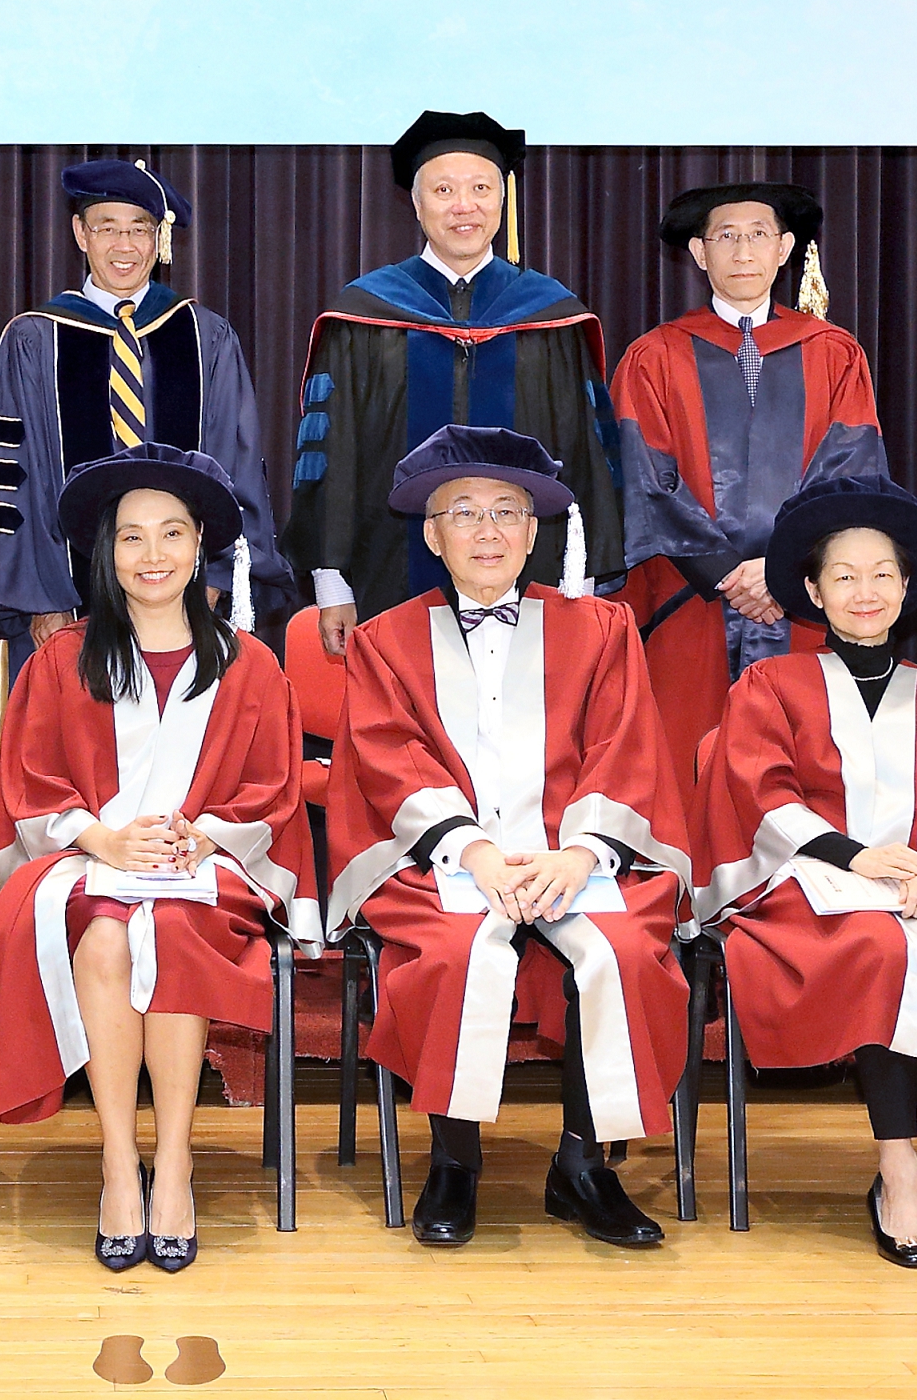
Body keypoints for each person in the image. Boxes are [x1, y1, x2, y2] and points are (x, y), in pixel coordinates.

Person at [326, 424, 689, 1251]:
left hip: (573, 856)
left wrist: (580, 853)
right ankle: (453, 1160)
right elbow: (386, 757)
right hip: (444, 862)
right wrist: (473, 850)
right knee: (451, 953)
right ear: (432, 534)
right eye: (463, 512)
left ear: (533, 532)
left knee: (625, 953)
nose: (485, 530)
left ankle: (583, 1166)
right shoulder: (384, 641)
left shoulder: (601, 628)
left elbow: (624, 746)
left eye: (504, 512)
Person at [0, 447, 314, 1274]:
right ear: (107, 552)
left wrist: (205, 834)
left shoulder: (250, 664)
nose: (152, 553)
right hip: (86, 861)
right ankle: (116, 1161)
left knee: (169, 926)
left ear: (199, 543)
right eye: (131, 536)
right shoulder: (61, 659)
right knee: (103, 933)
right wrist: (102, 838)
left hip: (209, 866)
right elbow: (27, 781)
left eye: (170, 533)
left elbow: (273, 788)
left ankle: (173, 1162)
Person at [694, 478, 917, 1268]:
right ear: (813, 591)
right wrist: (857, 857)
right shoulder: (769, 686)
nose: (864, 590)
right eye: (843, 575)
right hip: (807, 883)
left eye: (882, 573)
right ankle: (896, 1171)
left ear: (907, 587)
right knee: (882, 947)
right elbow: (757, 787)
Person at [286, 111, 622, 665]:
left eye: (480, 189)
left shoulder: (552, 317)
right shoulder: (363, 315)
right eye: (444, 190)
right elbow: (333, 452)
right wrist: (332, 583)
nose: (464, 206)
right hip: (389, 570)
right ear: (416, 205)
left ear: (502, 201)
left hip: (535, 576)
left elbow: (586, 455)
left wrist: (580, 579)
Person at [613, 183, 884, 785]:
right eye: (726, 236)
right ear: (699, 252)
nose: (742, 251)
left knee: (808, 765)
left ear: (784, 249)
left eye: (758, 235)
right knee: (684, 768)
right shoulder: (654, 356)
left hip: (804, 600)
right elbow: (643, 477)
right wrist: (727, 575)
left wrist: (783, 566)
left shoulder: (834, 353)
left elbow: (851, 472)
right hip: (692, 600)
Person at [0, 158, 290, 643]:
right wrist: (42, 601)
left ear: (159, 238)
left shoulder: (206, 336)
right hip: (67, 603)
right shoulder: (34, 339)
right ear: (80, 233)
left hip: (187, 593)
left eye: (139, 229)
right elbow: (9, 477)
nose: (124, 245)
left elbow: (234, 462)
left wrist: (215, 578)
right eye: (107, 228)